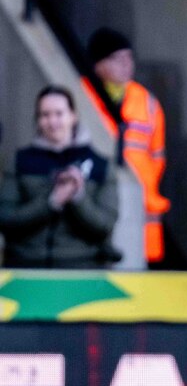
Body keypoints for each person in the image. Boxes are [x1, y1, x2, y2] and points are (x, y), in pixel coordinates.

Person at [0, 86, 118, 269]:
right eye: (45, 115)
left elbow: (104, 226)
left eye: (59, 113)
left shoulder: (101, 165)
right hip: (25, 268)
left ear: (73, 116)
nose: (52, 121)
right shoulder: (19, 161)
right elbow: (6, 219)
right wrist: (50, 201)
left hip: (84, 269)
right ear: (38, 120)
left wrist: (78, 198)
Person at [83, 27, 169, 266]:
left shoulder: (148, 102)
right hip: (96, 201)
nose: (127, 64)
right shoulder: (82, 95)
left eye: (129, 57)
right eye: (118, 59)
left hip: (140, 205)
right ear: (99, 64)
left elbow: (158, 156)